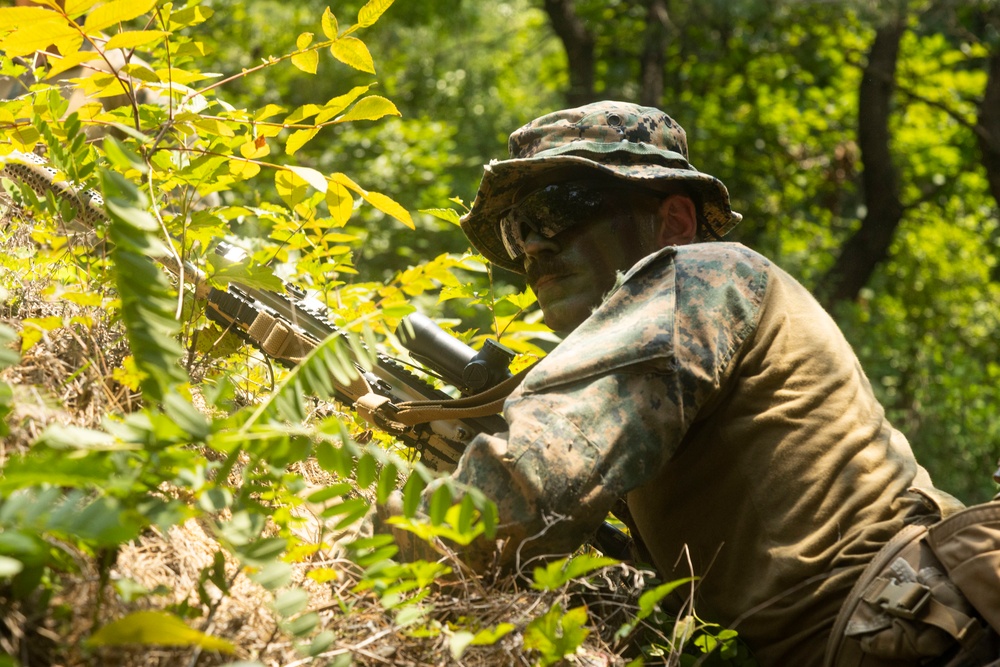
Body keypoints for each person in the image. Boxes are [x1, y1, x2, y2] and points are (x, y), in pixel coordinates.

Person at [381, 101, 984, 666]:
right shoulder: (691, 347)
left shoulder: (702, 275)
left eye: (560, 207)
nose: (534, 243)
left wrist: (367, 561)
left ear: (672, 220)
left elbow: (530, 481)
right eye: (518, 230)